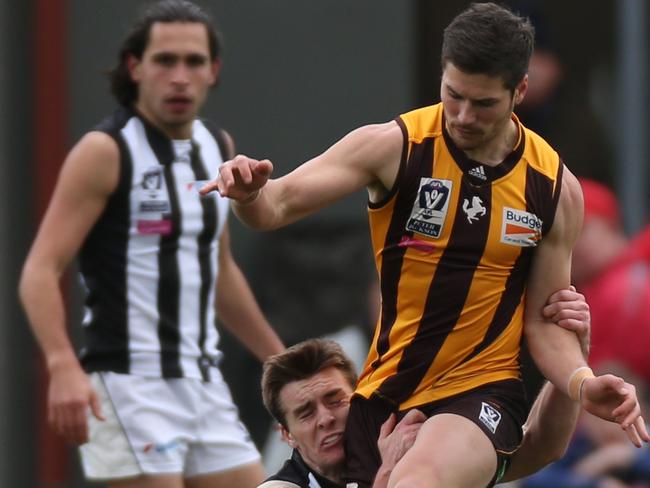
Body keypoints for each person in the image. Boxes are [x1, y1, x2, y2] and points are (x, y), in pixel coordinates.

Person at [201, 3, 648, 487]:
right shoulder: (396, 146)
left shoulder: (553, 187)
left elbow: (550, 322)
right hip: (387, 389)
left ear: (519, 90)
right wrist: (248, 194)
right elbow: (275, 206)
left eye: (483, 104)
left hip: (482, 392)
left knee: (417, 480)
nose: (462, 115)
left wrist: (582, 383)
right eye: (453, 95)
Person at [18, 1, 284, 487]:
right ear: (135, 67)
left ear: (214, 71)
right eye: (165, 60)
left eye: (193, 61)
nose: (180, 76)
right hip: (126, 385)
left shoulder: (215, 146)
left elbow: (219, 269)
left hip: (202, 382)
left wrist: (281, 364)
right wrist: (61, 365)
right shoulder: (105, 151)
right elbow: (40, 268)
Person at [257, 289, 627, 488]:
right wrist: (388, 476)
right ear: (287, 436)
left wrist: (571, 361)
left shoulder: (411, 438)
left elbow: (540, 447)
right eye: (306, 414)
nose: (326, 418)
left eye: (335, 400)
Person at [572, 178, 650, 382]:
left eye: (581, 230)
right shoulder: (583, 300)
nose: (572, 245)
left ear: (610, 224)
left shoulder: (626, 278)